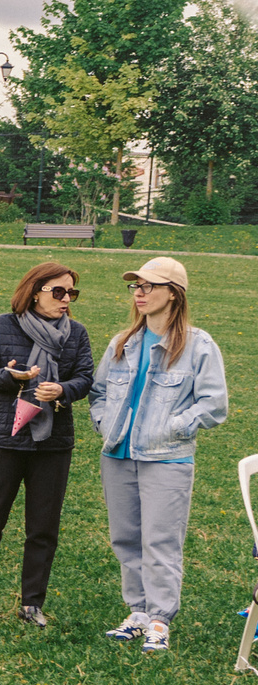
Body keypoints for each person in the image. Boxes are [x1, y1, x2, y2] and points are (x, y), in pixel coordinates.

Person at [93, 256, 230, 653]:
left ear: (174, 294)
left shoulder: (198, 345)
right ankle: (136, 613)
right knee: (126, 539)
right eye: (136, 286)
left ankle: (159, 620)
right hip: (117, 456)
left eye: (149, 286)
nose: (139, 292)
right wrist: (105, 424)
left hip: (167, 458)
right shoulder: (122, 343)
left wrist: (172, 427)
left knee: (161, 541)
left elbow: (214, 405)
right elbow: (100, 394)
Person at [0, 262, 95, 626]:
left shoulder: (77, 333)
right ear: (35, 290)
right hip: (4, 439)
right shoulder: (1, 325)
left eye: (72, 293)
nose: (66, 299)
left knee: (43, 526)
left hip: (53, 442)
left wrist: (63, 390)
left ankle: (32, 604)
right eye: (59, 292)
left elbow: (85, 378)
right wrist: (9, 376)